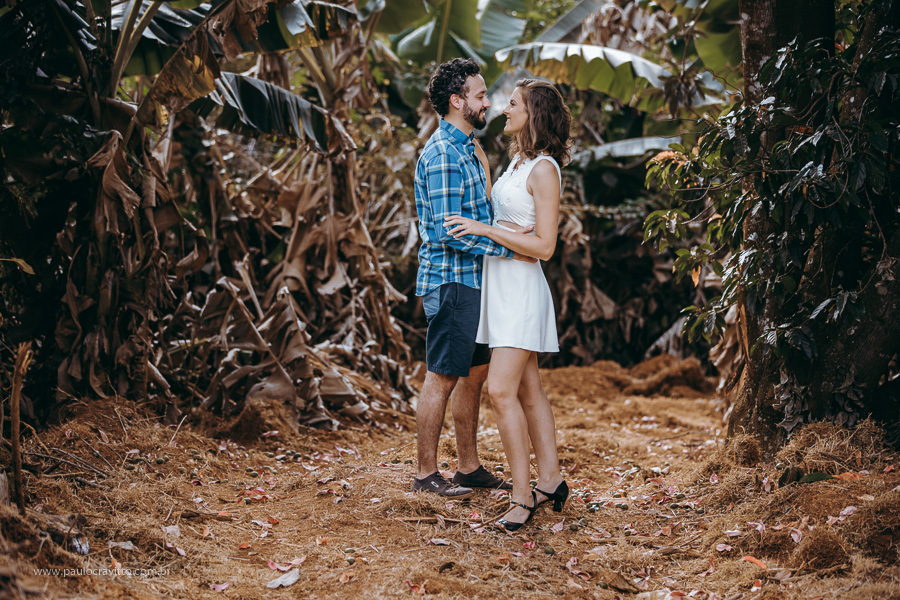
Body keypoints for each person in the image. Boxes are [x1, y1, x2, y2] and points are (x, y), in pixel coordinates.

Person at [444, 79, 572, 531]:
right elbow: (503, 214)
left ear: (534, 112)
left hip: (520, 288)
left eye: (513, 104)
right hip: (499, 284)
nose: (504, 109)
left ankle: (522, 497)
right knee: (528, 391)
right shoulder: (517, 161)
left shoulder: (544, 170)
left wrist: (485, 232)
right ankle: (551, 479)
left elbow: (544, 245)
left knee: (499, 389)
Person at [412, 58, 533, 497]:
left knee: (474, 376)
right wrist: (511, 248)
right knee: (442, 375)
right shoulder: (444, 152)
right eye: (481, 95)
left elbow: (480, 216)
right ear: (457, 101)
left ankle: (467, 467)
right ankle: (426, 474)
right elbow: (451, 231)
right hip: (452, 281)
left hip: (476, 282)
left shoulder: (467, 147)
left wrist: (506, 234)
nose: (488, 102)